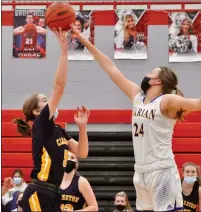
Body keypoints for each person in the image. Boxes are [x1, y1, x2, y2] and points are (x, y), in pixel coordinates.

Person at [70, 24, 201, 211]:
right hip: (140, 172)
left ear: (158, 81)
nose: (146, 74)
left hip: (161, 170)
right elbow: (111, 68)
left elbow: (197, 104)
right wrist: (85, 41)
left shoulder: (167, 100)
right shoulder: (138, 96)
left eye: (151, 73)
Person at [13, 28, 90, 212]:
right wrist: (64, 51)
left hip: (54, 192)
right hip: (40, 191)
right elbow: (59, 86)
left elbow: (82, 152)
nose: (50, 102)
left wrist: (82, 128)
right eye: (45, 100)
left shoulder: (57, 129)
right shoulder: (41, 125)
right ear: (37, 111)